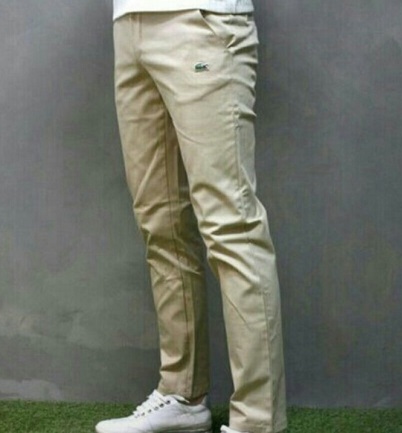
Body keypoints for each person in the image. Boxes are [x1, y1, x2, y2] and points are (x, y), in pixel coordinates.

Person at [96, 1, 286, 433]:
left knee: (231, 226)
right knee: (160, 225)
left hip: (201, 17)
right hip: (129, 22)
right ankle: (182, 395)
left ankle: (258, 422)